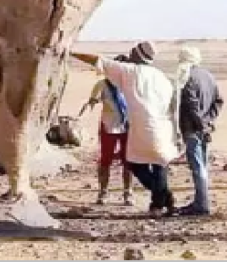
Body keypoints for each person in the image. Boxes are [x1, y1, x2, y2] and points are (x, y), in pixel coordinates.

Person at [71, 43, 179, 216]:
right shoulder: (161, 76)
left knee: (135, 164)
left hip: (144, 127)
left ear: (136, 56)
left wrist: (69, 51)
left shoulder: (131, 72)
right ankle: (159, 203)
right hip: (164, 128)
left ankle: (163, 198)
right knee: (160, 165)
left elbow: (97, 60)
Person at [173, 45, 224, 217]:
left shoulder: (188, 77)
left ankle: (202, 204)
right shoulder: (209, 76)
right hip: (204, 127)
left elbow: (191, 106)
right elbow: (218, 101)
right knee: (202, 165)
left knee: (198, 166)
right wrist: (209, 121)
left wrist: (201, 124)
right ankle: (200, 200)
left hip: (193, 129)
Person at [78, 54, 133, 205]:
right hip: (109, 127)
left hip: (127, 127)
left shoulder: (130, 85)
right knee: (105, 161)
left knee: (128, 161)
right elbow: (91, 103)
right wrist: (81, 116)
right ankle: (103, 192)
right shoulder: (102, 85)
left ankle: (128, 193)